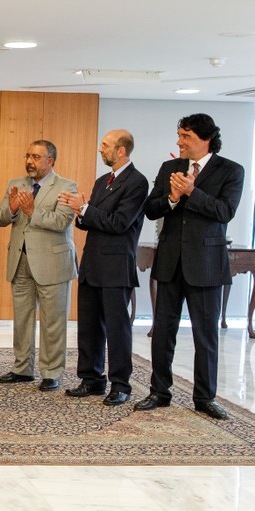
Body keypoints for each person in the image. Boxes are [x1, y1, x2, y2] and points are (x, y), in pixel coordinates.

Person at [134, 114, 244, 420]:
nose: (180, 142)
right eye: (179, 135)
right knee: (163, 331)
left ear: (206, 139)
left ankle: (205, 397)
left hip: (206, 265)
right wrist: (172, 196)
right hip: (170, 261)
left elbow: (225, 212)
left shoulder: (232, 170)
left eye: (186, 136)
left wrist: (192, 192)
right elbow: (151, 208)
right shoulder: (170, 168)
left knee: (205, 334)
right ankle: (159, 391)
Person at [58, 130, 148, 406]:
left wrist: (85, 208)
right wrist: (80, 211)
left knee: (117, 329)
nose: (100, 149)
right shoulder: (102, 181)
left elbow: (119, 223)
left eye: (106, 145)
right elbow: (90, 221)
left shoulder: (137, 182)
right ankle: (92, 378)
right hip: (93, 263)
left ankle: (121, 384)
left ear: (121, 150)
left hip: (116, 266)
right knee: (89, 326)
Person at [0, 140, 77, 391]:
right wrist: (13, 207)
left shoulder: (66, 186)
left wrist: (32, 212)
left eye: (36, 157)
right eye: (27, 156)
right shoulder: (15, 184)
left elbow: (62, 220)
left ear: (50, 161)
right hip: (20, 261)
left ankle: (52, 372)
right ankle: (22, 369)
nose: (29, 161)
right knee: (22, 320)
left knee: (53, 321)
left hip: (52, 263)